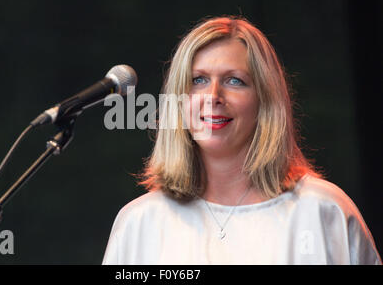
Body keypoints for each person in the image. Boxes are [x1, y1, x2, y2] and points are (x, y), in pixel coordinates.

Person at [102, 16, 381, 264]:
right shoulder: (140, 223)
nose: (213, 96)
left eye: (234, 81)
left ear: (266, 102)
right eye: (198, 80)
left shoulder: (322, 210)